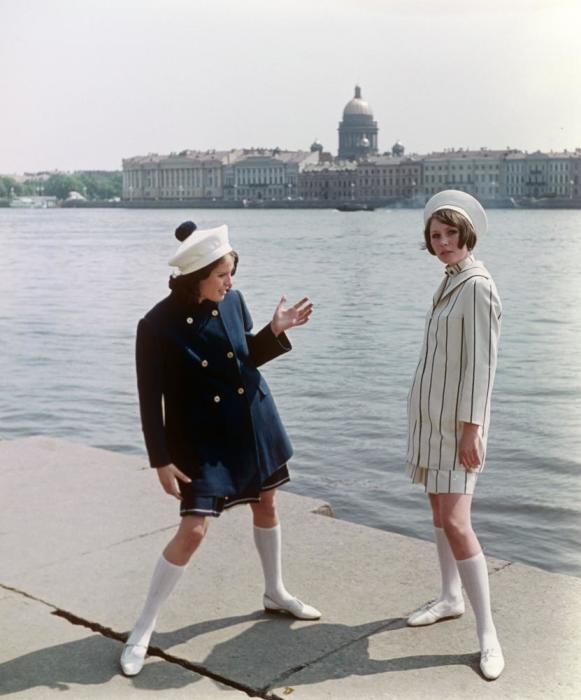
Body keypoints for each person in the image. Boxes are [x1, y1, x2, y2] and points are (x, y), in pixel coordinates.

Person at [120, 221, 320, 677]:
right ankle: (143, 627)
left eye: (232, 272)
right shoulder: (155, 325)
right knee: (193, 531)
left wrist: (275, 330)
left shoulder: (233, 300)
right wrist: (161, 459)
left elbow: (244, 357)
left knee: (267, 504)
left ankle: (275, 592)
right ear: (197, 276)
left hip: (253, 421)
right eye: (222, 275)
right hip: (201, 439)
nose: (230, 282)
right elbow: (150, 399)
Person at [405, 191, 504, 680]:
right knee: (438, 513)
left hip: (456, 427)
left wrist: (472, 431)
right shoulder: (450, 281)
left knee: (458, 522)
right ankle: (449, 597)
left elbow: (481, 368)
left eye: (449, 234)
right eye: (435, 235)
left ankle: (488, 635)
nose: (442, 243)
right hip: (430, 421)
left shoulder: (477, 286)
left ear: (467, 235)